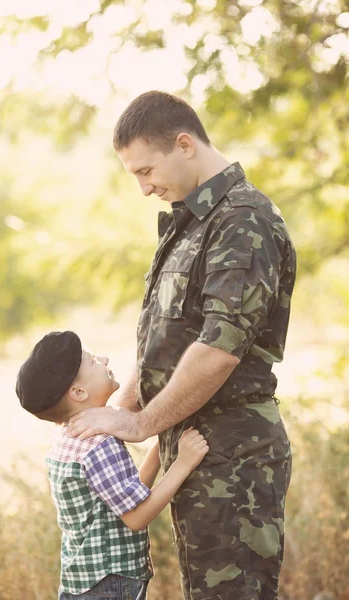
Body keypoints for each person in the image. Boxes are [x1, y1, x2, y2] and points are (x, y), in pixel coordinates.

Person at [67, 91, 297, 600]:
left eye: (146, 171)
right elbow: (165, 340)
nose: (145, 188)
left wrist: (140, 424)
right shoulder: (190, 221)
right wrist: (123, 403)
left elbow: (218, 349)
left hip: (234, 457)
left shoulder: (243, 220)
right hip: (198, 448)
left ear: (185, 144)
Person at [15, 330, 209, 600]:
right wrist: (182, 466)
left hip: (86, 582)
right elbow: (136, 517)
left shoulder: (70, 438)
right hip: (109, 584)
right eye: (93, 361)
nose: (104, 358)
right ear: (79, 392)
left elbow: (125, 498)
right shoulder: (98, 444)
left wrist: (159, 448)